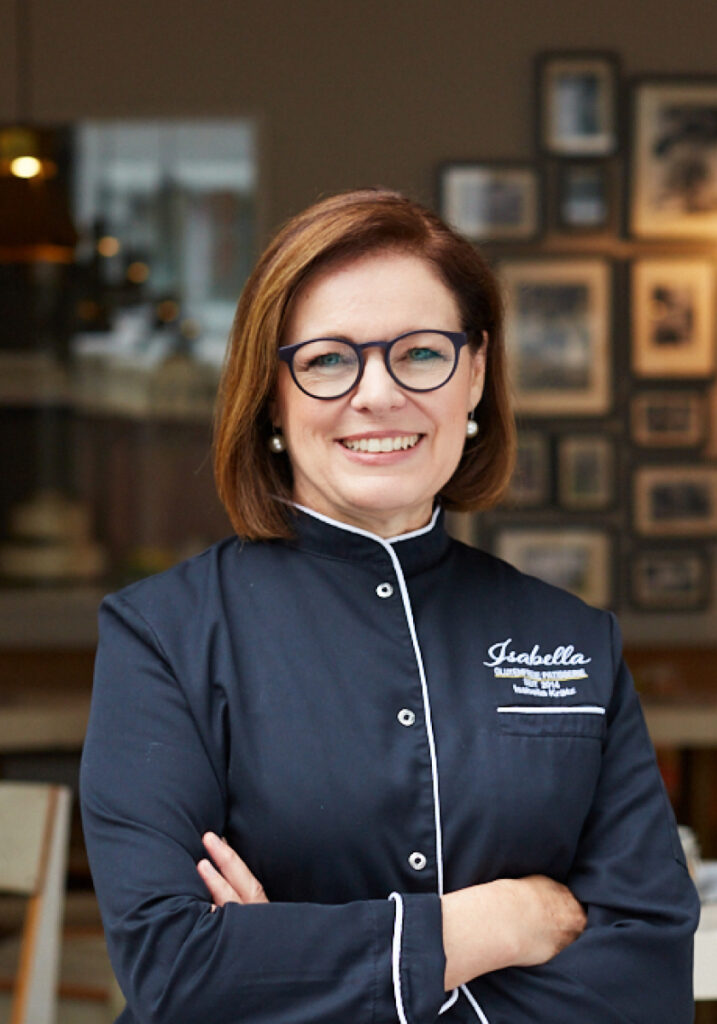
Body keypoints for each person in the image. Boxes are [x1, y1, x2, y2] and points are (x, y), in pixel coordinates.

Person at [80, 188, 699, 1024]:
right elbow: (175, 968)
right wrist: (501, 923)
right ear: (272, 392)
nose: (377, 394)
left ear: (474, 373)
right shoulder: (164, 634)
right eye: (327, 360)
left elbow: (648, 972)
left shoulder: (572, 638)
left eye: (420, 352)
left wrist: (290, 968)